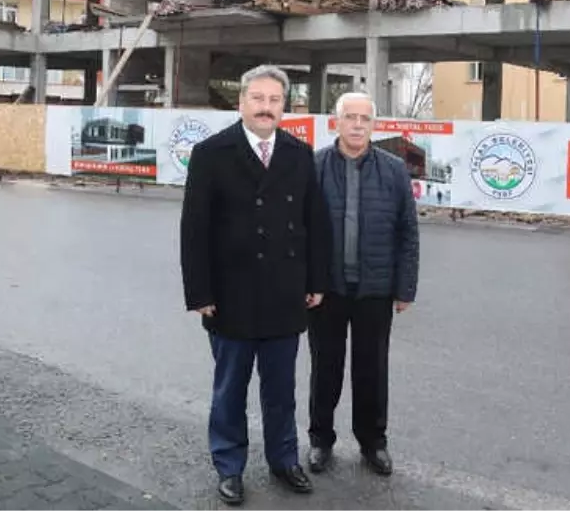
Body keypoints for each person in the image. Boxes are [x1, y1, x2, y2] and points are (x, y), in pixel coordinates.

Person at [180, 64, 331, 506]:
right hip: (230, 297)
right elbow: (194, 229)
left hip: (286, 294)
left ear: (285, 106)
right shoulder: (211, 153)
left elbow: (314, 223)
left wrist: (317, 280)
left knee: (281, 390)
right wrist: (200, 293)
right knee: (230, 390)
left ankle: (284, 461)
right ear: (242, 101)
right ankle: (229, 467)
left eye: (275, 100)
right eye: (258, 99)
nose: (266, 108)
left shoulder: (299, 154)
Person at [306, 91, 420, 476]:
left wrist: (405, 288)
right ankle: (321, 439)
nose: (357, 125)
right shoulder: (314, 166)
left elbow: (408, 233)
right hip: (327, 289)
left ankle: (373, 442)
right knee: (326, 367)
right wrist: (307, 281)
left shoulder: (392, 170)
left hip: (375, 288)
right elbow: (300, 231)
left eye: (365, 119)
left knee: (372, 369)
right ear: (335, 122)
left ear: (374, 125)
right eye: (350, 117)